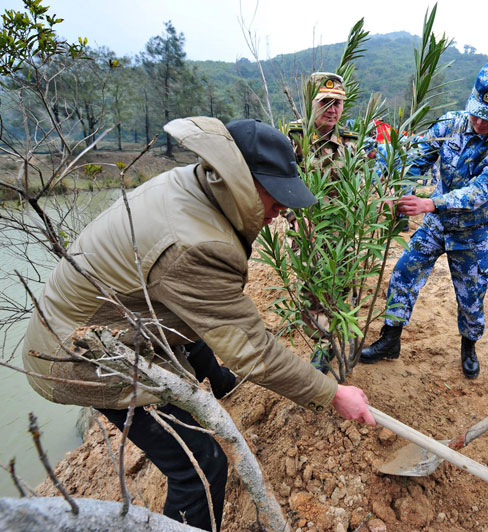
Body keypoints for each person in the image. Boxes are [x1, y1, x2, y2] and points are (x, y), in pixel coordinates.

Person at [21, 116, 375, 531]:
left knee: (197, 327)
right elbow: (250, 349)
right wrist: (332, 393)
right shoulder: (194, 245)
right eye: (275, 195)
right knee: (201, 467)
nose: (282, 209)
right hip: (77, 356)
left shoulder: (195, 184)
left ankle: (220, 384)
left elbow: (202, 310)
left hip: (108, 315)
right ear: (238, 180)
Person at [359, 61, 488, 379]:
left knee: (471, 295)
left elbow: (478, 193)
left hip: (472, 232)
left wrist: (430, 203)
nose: (479, 122)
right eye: (475, 113)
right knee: (404, 272)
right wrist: (396, 187)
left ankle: (468, 347)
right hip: (436, 226)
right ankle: (390, 339)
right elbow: (416, 159)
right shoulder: (450, 124)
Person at [285, 72, 360, 373]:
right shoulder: (294, 139)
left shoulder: (350, 143)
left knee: (341, 285)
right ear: (311, 103)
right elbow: (282, 183)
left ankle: (337, 336)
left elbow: (362, 183)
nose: (332, 109)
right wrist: (296, 217)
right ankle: (321, 343)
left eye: (337, 103)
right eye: (325, 102)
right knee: (311, 287)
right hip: (307, 228)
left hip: (341, 229)